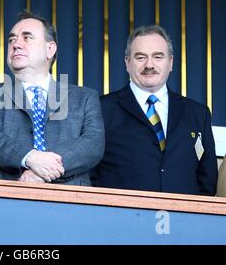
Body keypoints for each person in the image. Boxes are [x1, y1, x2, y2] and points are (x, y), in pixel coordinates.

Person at [0, 11, 105, 185]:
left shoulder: (85, 98)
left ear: (50, 49)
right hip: (6, 199)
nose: (16, 44)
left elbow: (92, 145)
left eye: (27, 38)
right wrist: (30, 158)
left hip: (70, 203)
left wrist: (41, 172)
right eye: (11, 40)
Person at [92, 25, 218, 195]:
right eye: (140, 57)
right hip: (120, 218)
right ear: (127, 63)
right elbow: (89, 173)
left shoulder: (198, 114)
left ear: (171, 62)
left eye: (158, 57)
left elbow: (207, 179)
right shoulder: (100, 109)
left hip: (183, 219)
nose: (149, 65)